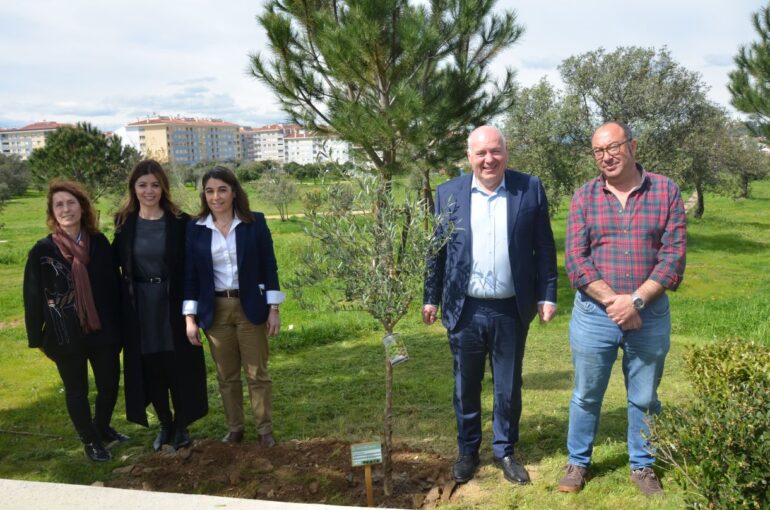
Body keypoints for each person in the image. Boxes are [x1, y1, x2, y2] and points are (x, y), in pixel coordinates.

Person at [423, 125, 558, 485]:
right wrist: (430, 297)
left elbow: (544, 247)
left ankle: (505, 451)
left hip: (511, 308)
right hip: (464, 309)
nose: (489, 159)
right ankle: (468, 451)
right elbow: (436, 252)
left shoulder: (528, 188)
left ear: (506, 153)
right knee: (465, 385)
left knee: (508, 386)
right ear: (469, 157)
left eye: (495, 151)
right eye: (481, 153)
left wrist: (547, 293)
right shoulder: (448, 193)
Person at [559, 121, 686, 496]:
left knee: (645, 396)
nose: (607, 157)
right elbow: (576, 260)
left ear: (632, 146)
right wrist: (615, 302)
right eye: (599, 151)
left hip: (649, 313)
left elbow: (673, 255)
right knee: (586, 393)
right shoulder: (584, 197)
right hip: (595, 314)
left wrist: (636, 301)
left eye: (613, 147)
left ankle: (643, 465)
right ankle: (577, 461)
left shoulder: (665, 191)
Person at [23, 180, 128, 462]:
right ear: (52, 212)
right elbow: (32, 296)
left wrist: (121, 329)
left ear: (82, 208)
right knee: (76, 391)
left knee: (108, 385)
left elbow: (114, 288)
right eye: (59, 204)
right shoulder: (42, 251)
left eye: (71, 203)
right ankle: (90, 441)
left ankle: (102, 427)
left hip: (102, 331)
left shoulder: (101, 244)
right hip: (64, 333)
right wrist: (37, 338)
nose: (66, 209)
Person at [183, 166, 283, 447]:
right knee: (226, 376)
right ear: (204, 195)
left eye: (222, 189)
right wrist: (190, 317)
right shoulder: (196, 229)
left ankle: (264, 430)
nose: (216, 197)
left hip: (251, 305)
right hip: (215, 310)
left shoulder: (255, 223)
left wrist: (273, 309)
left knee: (257, 373)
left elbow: (269, 266)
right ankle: (235, 428)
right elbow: (189, 275)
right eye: (210, 191)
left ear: (234, 191)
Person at [112, 159, 208, 451]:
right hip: (140, 307)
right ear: (134, 188)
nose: (149, 191)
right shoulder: (124, 223)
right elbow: (114, 264)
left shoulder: (181, 222)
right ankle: (164, 423)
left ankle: (181, 425)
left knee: (176, 365)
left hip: (173, 303)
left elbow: (195, 266)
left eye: (155, 185)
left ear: (163, 187)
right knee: (150, 366)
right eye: (142, 185)